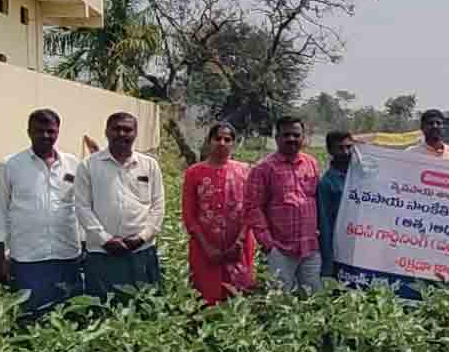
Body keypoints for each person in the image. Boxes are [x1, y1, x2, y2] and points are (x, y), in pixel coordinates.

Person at [0, 109, 84, 316]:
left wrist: (85, 249)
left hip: (67, 254)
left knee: (69, 316)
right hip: (27, 258)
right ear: (28, 132)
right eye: (39, 131)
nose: (45, 136)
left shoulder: (73, 164)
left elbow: (81, 208)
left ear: (58, 131)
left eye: (51, 131)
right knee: (31, 318)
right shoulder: (11, 165)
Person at [75, 112, 166, 299]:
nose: (122, 134)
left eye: (127, 130)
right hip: (101, 252)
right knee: (104, 309)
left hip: (141, 251)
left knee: (143, 307)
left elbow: (158, 205)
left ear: (135, 133)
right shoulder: (88, 165)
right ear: (106, 132)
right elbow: (82, 206)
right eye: (116, 129)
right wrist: (105, 239)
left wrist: (142, 237)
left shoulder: (149, 165)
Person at [182, 122, 256, 305]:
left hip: (238, 248)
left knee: (238, 299)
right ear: (209, 141)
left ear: (234, 143)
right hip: (204, 248)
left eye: (227, 139)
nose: (222, 143)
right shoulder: (194, 173)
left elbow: (251, 210)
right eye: (217, 138)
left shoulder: (245, 171)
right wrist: (207, 247)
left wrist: (239, 242)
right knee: (205, 299)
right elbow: (189, 215)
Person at [246, 116, 322, 293]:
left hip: (310, 248)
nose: (291, 139)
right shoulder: (263, 168)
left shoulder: (311, 163)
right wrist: (268, 245)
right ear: (277, 138)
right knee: (280, 301)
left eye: (296, 135)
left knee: (314, 300)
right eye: (286, 135)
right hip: (281, 249)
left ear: (303, 137)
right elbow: (253, 207)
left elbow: (316, 199)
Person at [318, 130, 355, 278]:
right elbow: (325, 224)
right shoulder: (327, 183)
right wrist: (328, 260)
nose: (346, 152)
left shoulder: (361, 176)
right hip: (339, 248)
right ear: (330, 150)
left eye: (349, 147)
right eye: (340, 148)